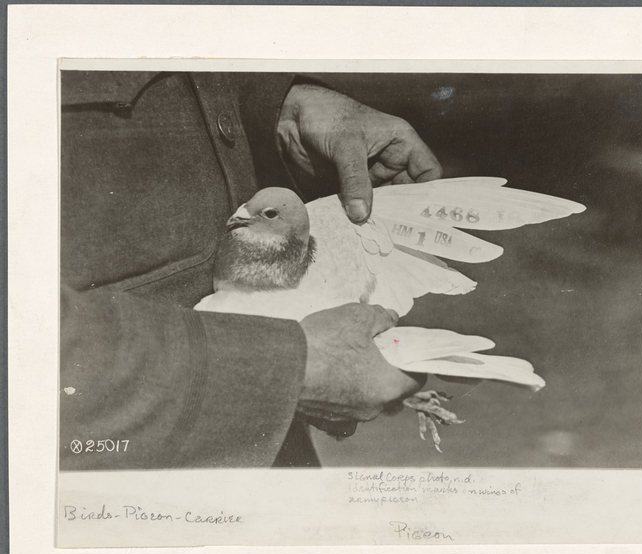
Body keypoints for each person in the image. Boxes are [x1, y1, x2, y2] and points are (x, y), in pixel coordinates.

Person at [59, 71, 442, 471]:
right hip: (122, 446)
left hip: (272, 432)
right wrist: (281, 367)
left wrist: (278, 107)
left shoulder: (287, 236)